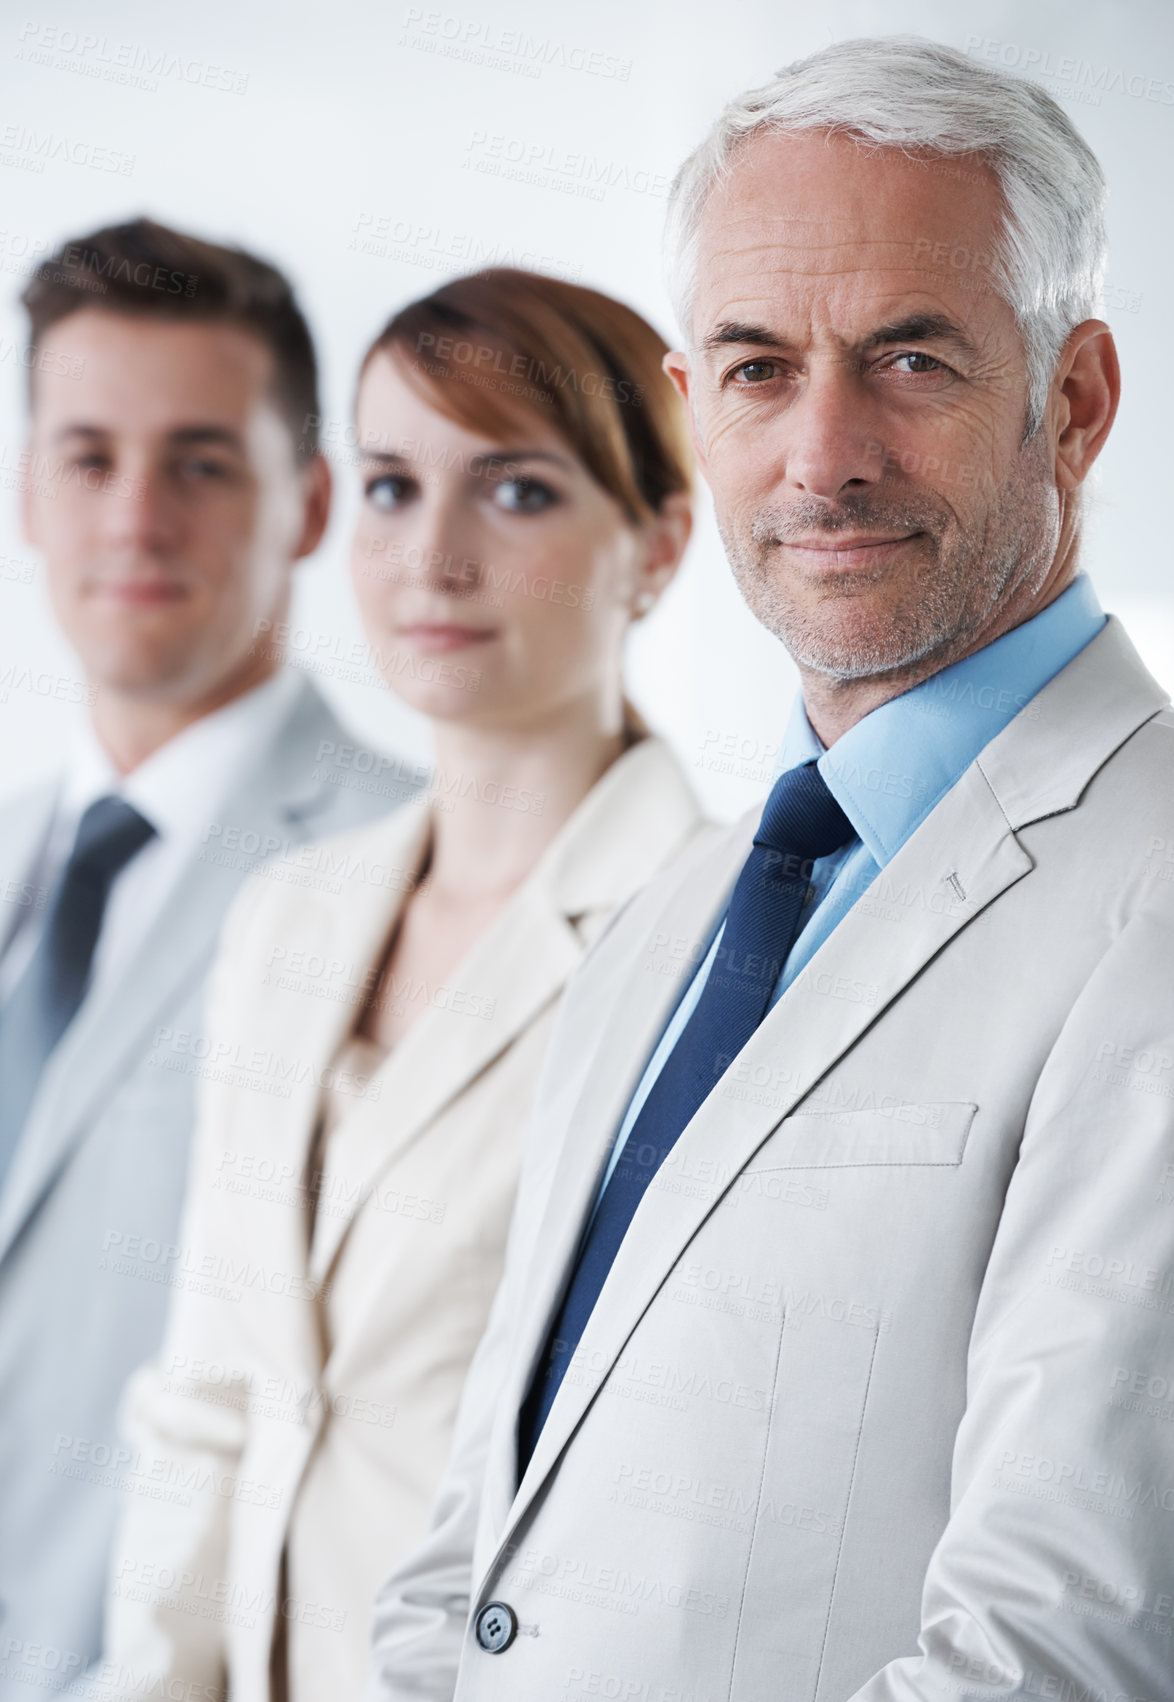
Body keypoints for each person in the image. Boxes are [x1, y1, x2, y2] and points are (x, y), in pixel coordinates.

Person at [366, 37, 1174, 1702]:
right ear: (687, 415)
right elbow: (471, 1553)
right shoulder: (677, 912)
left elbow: (1060, 1651)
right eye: (753, 368)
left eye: (908, 358)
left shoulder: (1148, 890)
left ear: (1072, 399)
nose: (821, 454)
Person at [92, 269, 705, 1702]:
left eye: (516, 492)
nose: (430, 557)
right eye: (386, 487)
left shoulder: (712, 939)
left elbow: (665, 1491)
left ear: (659, 542)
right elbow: (212, 1398)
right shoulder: (284, 916)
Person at [0, 217, 416, 1700]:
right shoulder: (18, 859)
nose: (134, 520)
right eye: (88, 458)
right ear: (28, 493)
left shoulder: (407, 875)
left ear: (307, 503)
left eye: (199, 462)